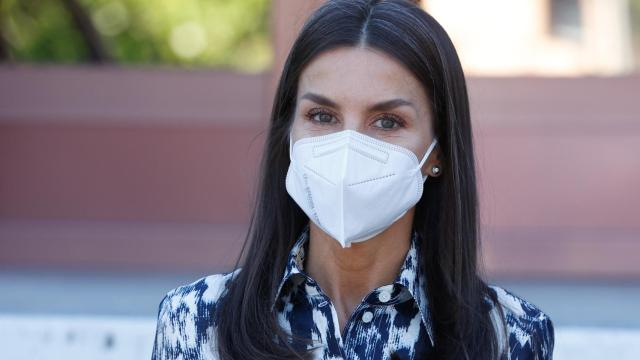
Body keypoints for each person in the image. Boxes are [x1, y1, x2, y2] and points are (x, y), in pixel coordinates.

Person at [151, 0, 555, 359]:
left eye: (387, 121)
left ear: (438, 153)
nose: (348, 148)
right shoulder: (197, 323)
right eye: (322, 116)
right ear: (288, 135)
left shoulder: (510, 337)